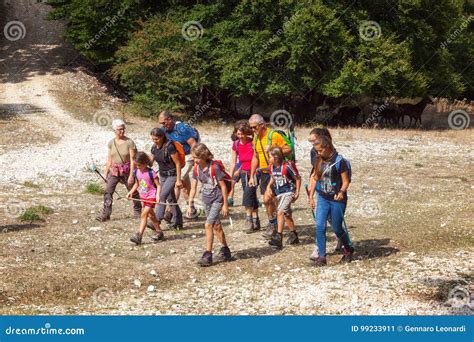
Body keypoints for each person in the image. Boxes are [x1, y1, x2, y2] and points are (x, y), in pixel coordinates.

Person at [308, 135, 354, 266]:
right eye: (317, 151)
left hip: (337, 200)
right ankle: (322, 257)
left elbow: (346, 181)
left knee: (337, 228)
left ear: (327, 147)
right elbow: (315, 178)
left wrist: (341, 192)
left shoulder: (340, 162)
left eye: (320, 150)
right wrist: (311, 197)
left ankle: (349, 249)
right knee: (320, 226)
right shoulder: (319, 160)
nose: (318, 153)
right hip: (323, 197)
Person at [248, 114, 292, 239]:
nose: (252, 130)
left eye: (254, 127)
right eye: (250, 128)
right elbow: (255, 157)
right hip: (265, 173)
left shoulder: (274, 135)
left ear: (262, 125)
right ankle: (273, 223)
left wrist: (274, 148)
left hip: (278, 172)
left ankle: (285, 229)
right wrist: (251, 175)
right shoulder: (255, 139)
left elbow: (289, 149)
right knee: (267, 200)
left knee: (277, 201)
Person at [188, 143, 231, 267]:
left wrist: (225, 205)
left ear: (204, 156)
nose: (195, 160)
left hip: (217, 200)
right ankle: (225, 249)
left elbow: (223, 187)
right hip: (206, 200)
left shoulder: (214, 168)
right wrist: (190, 203)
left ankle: (208, 255)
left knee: (208, 225)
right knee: (216, 226)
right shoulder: (196, 169)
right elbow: (193, 187)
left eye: (197, 158)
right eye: (193, 158)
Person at [307, 127, 342, 259]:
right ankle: (318, 249)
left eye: (314, 141)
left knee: (331, 218)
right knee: (320, 222)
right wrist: (310, 193)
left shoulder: (333, 154)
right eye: (311, 143)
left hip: (332, 190)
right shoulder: (313, 151)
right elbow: (315, 172)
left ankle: (340, 238)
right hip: (320, 188)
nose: (313, 146)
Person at [97, 119, 141, 222]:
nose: (122, 131)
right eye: (119, 129)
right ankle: (106, 214)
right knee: (108, 192)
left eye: (123, 129)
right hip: (114, 171)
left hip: (126, 170)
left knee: (132, 191)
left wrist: (131, 175)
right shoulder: (111, 143)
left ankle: (138, 210)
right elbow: (109, 158)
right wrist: (106, 171)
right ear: (114, 130)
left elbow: (133, 160)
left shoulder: (129, 143)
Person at [159, 111, 200, 219]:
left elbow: (193, 144)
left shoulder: (182, 128)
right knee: (185, 187)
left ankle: (169, 211)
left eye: (164, 123)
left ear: (170, 119)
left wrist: (195, 159)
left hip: (187, 157)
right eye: (161, 123)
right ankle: (192, 210)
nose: (163, 125)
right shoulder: (164, 130)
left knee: (178, 181)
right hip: (176, 158)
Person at [266, 147, 301, 249]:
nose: (268, 159)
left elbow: (297, 178)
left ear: (276, 158)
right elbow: (273, 177)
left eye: (270, 157)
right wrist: (269, 186)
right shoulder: (272, 167)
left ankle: (278, 238)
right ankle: (294, 235)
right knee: (286, 214)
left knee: (280, 211)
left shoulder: (287, 166)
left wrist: (297, 192)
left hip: (289, 192)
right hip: (279, 193)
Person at [229, 121, 260, 233]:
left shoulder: (253, 143)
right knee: (251, 195)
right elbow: (233, 160)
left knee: (247, 195)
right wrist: (231, 174)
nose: (241, 136)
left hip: (254, 172)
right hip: (243, 173)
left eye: (242, 134)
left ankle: (249, 221)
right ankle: (256, 220)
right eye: (238, 134)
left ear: (247, 133)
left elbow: (256, 158)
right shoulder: (236, 144)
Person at [149, 128, 184, 230]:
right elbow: (151, 161)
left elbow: (177, 164)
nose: (155, 141)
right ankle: (178, 221)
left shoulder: (169, 147)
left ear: (162, 137)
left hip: (172, 175)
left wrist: (178, 180)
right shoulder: (154, 147)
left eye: (157, 139)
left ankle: (157, 220)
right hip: (163, 176)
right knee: (171, 199)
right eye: (153, 139)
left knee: (162, 196)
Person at [127, 152, 164, 245]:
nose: (138, 167)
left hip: (151, 197)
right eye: (136, 165)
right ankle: (159, 232)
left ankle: (139, 235)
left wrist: (158, 196)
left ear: (145, 163)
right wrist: (130, 192)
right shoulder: (136, 172)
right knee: (151, 215)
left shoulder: (151, 173)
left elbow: (158, 185)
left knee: (144, 215)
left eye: (139, 165)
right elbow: (137, 183)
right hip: (143, 197)